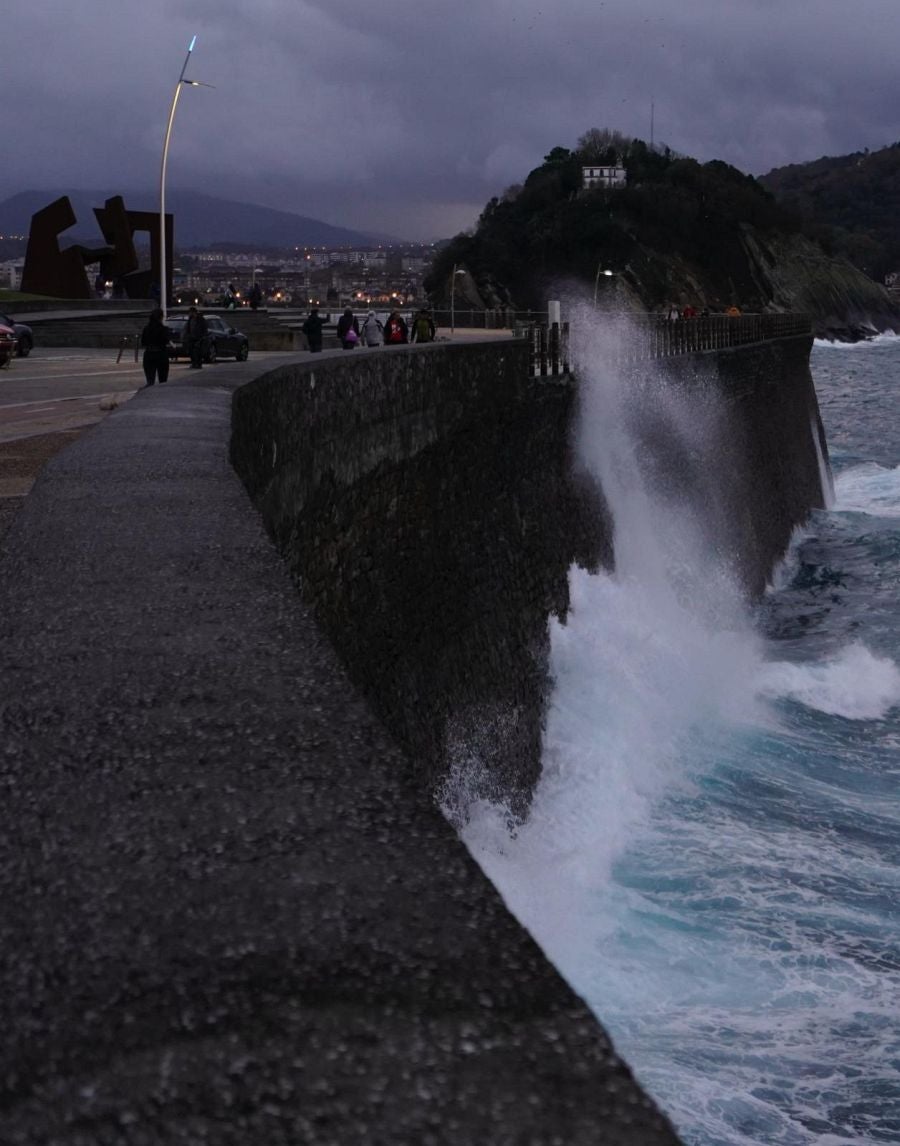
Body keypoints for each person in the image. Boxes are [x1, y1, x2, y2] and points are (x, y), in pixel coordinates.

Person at [139, 307, 172, 387]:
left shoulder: (146, 328)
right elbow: (166, 340)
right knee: (163, 380)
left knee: (150, 380)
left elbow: (143, 342)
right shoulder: (163, 329)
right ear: (161, 317)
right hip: (161, 354)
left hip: (149, 354)